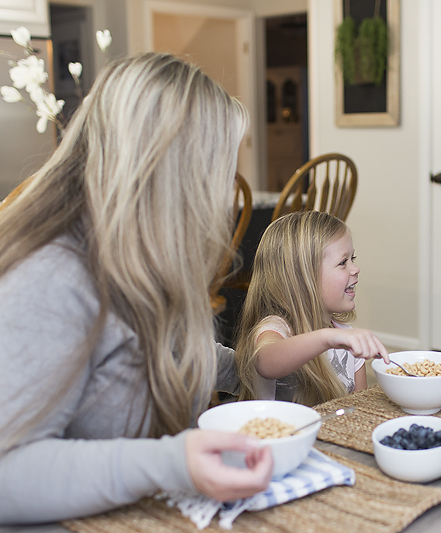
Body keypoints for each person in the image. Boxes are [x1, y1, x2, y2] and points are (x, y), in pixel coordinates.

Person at [0, 53, 273, 524]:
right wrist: (171, 461)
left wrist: (253, 364)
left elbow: (160, 348)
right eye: (219, 171)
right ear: (172, 174)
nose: (224, 192)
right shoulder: (50, 278)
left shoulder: (131, 253)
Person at [235, 210, 389, 406]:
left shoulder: (345, 336)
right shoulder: (277, 328)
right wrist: (328, 338)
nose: (355, 268)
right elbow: (265, 363)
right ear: (302, 278)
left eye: (353, 259)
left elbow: (359, 409)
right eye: (343, 262)